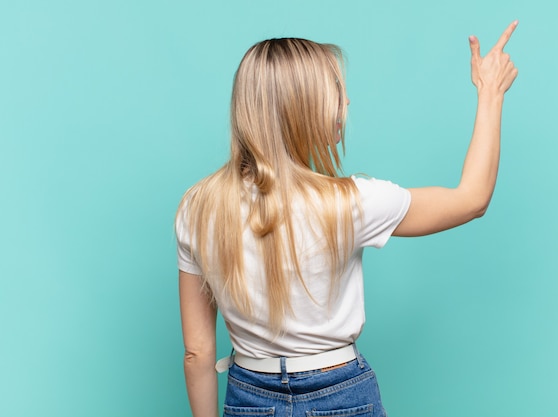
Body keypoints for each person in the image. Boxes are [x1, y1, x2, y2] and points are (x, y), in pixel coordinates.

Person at [175, 20, 518, 417]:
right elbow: (471, 199)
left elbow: (197, 353)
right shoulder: (352, 203)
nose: (348, 102)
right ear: (302, 106)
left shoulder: (198, 207)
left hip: (249, 396)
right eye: (337, 90)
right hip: (341, 394)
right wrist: (491, 94)